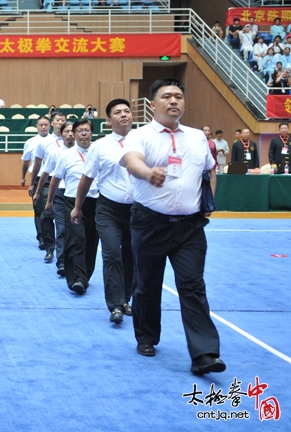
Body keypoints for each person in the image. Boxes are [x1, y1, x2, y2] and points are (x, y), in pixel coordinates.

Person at [120, 77, 224, 375]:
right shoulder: (140, 135)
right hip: (150, 223)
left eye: (179, 95)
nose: (174, 101)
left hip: (190, 227)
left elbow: (209, 172)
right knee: (148, 285)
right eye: (167, 96)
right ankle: (147, 336)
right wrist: (148, 172)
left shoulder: (197, 137)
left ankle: (204, 354)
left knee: (192, 285)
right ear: (153, 104)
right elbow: (132, 161)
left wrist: (208, 204)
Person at [71, 100, 135, 322]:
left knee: (132, 255)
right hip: (108, 208)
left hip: (138, 210)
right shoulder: (100, 146)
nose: (124, 115)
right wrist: (77, 207)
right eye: (118, 112)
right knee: (112, 254)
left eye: (127, 111)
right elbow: (86, 178)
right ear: (109, 121)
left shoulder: (144, 141)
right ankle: (115, 305)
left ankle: (126, 298)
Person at [46, 118, 98, 295]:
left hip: (96, 202)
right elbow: (55, 179)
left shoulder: (99, 152)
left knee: (91, 241)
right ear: (74, 134)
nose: (84, 134)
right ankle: (77, 279)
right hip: (72, 202)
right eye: (80, 131)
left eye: (87, 130)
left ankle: (85, 276)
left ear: (91, 133)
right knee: (77, 239)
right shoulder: (66, 155)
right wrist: (49, 200)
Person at [34, 120, 74, 274]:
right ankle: (62, 262)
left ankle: (75, 263)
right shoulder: (55, 153)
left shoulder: (86, 152)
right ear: (61, 134)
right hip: (59, 194)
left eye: (72, 131)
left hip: (78, 196)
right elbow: (45, 174)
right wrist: (38, 191)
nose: (70, 135)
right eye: (66, 132)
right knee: (62, 228)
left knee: (77, 232)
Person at [30, 111, 67, 263]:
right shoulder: (43, 143)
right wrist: (33, 184)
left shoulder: (72, 141)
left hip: (66, 182)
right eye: (57, 120)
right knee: (46, 214)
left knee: (64, 220)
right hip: (46, 180)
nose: (60, 123)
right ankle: (49, 248)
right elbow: (37, 165)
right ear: (53, 123)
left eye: (63, 120)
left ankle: (63, 251)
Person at [21, 116, 51, 251]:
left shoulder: (57, 141)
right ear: (37, 126)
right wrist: (26, 180)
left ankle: (53, 237)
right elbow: (26, 162)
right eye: (41, 125)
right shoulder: (30, 142)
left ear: (50, 126)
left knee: (53, 211)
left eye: (46, 124)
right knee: (39, 210)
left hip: (55, 179)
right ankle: (41, 237)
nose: (44, 127)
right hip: (38, 179)